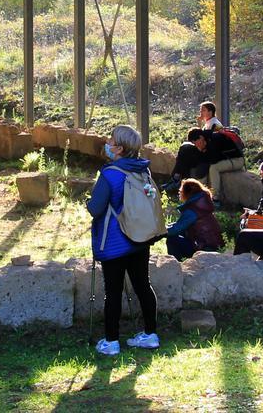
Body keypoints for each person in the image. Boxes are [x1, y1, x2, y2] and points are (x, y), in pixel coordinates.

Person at [87, 125, 160, 356]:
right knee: (143, 286)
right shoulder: (143, 171)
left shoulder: (110, 174)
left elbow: (96, 208)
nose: (107, 143)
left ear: (118, 148)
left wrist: (88, 202)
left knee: (113, 291)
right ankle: (150, 334)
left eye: (111, 140)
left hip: (115, 243)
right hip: (140, 239)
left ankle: (111, 341)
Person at [165, 179, 223, 261]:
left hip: (204, 248)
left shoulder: (193, 210)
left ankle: (178, 265)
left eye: (181, 191)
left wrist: (161, 231)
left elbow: (175, 230)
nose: (179, 194)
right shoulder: (202, 204)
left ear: (187, 193)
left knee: (172, 239)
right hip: (212, 246)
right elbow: (182, 225)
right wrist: (167, 227)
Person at [189, 128, 245, 208]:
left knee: (214, 168)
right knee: (203, 168)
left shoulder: (214, 139)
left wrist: (203, 150)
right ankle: (199, 196)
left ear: (201, 137)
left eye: (195, 143)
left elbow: (214, 159)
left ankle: (215, 198)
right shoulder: (206, 140)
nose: (196, 145)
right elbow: (204, 160)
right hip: (227, 159)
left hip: (237, 161)